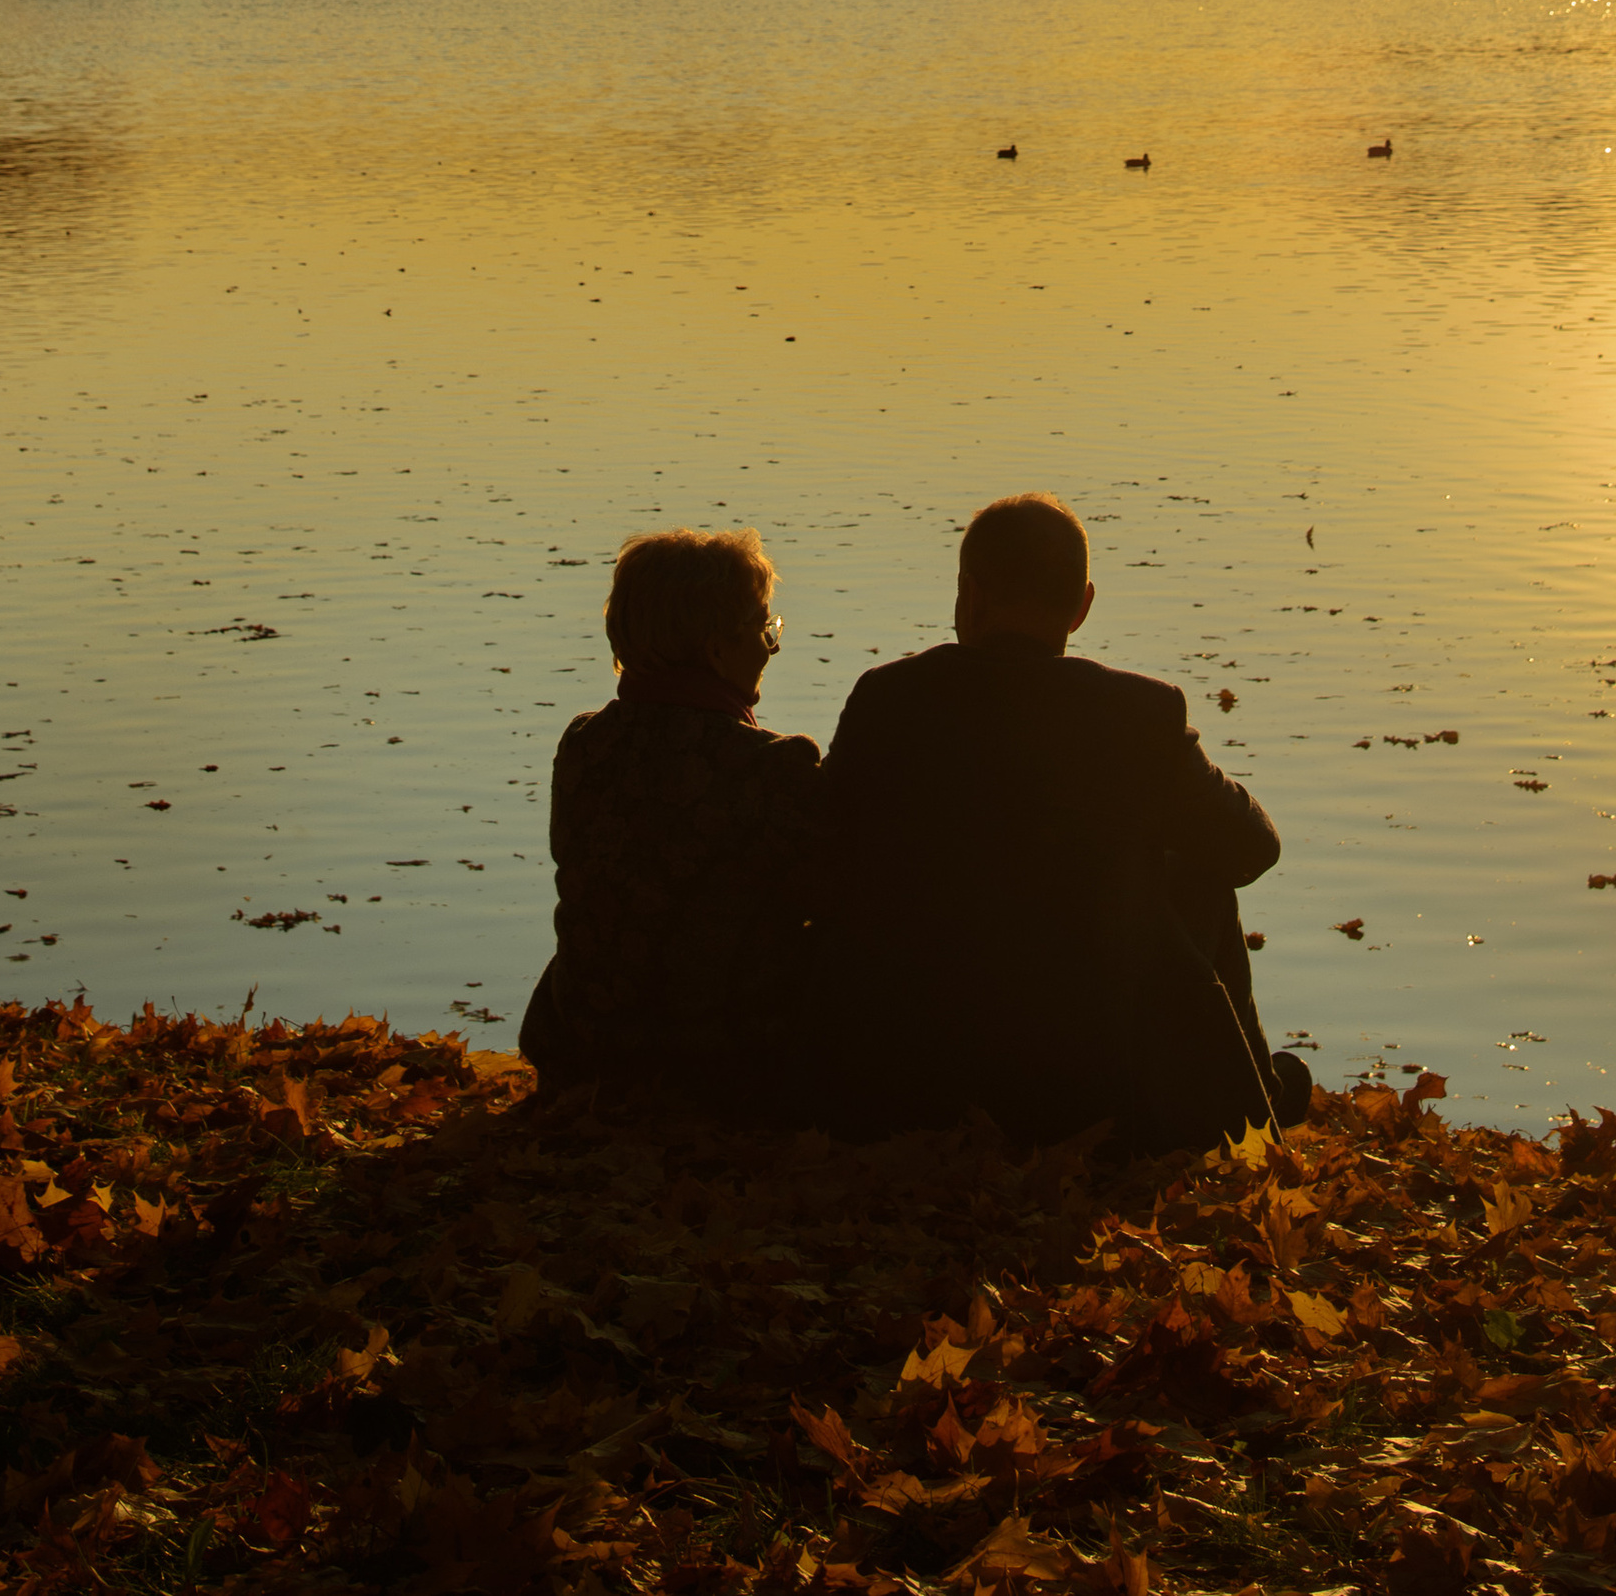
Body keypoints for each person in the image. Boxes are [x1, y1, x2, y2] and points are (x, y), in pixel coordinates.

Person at [813, 491, 1306, 1149]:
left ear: (971, 594)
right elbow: (1253, 847)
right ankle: (1251, 1102)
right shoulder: (1135, 715)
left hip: (907, 1074)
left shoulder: (887, 699)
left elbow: (822, 850)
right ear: (1081, 606)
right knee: (1201, 869)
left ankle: (1251, 1094)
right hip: (1087, 1089)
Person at [518, 523, 822, 1112]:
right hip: (721, 1069)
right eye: (764, 628)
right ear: (716, 648)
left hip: (583, 1053)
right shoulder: (772, 767)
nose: (770, 647)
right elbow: (837, 900)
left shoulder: (585, 744)